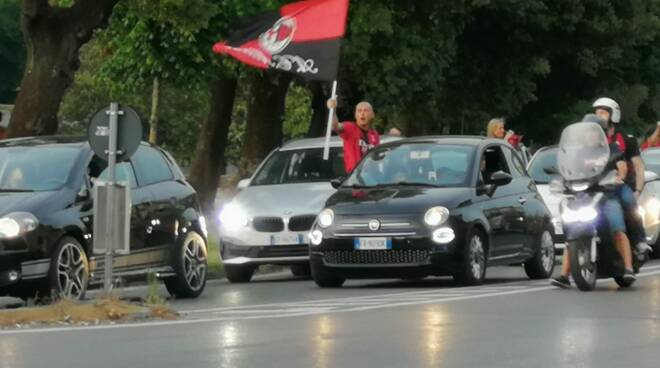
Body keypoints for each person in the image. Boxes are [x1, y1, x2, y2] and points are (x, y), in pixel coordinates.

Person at [551, 116, 636, 288]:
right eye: (588, 133)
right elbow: (568, 169)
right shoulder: (578, 152)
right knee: (572, 231)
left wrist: (620, 176)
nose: (590, 136)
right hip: (583, 196)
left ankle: (628, 268)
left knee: (616, 227)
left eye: (594, 132)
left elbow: (622, 166)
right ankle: (564, 274)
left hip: (606, 194)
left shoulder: (612, 149)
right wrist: (562, 180)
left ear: (602, 134)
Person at [593, 97, 652, 255]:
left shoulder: (626, 140)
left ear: (614, 116)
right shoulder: (591, 139)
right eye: (596, 113)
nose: (599, 116)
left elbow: (638, 166)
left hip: (619, 186)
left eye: (603, 113)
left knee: (629, 201)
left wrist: (638, 190)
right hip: (594, 186)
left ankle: (640, 240)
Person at [327, 98, 380, 173]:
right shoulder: (350, 128)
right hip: (355, 177)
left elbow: (376, 157)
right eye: (359, 111)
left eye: (365, 110)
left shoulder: (374, 134)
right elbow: (335, 126)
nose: (362, 113)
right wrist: (333, 110)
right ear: (355, 115)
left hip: (372, 175)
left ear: (372, 115)